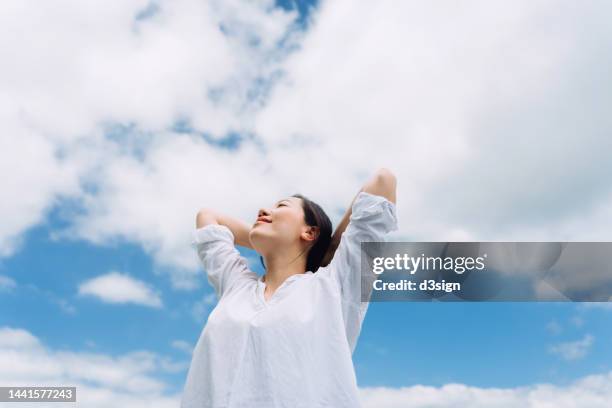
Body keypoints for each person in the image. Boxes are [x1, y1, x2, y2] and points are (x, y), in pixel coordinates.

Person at [181, 168, 398, 408]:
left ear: (310, 232)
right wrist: (269, 242)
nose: (264, 211)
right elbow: (207, 217)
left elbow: (382, 182)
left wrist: (330, 247)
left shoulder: (335, 285)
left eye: (281, 206)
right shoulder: (236, 285)